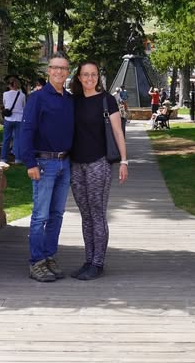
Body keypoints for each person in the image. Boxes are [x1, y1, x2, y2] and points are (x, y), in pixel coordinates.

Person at [68, 60, 128, 280]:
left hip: (98, 164)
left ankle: (98, 263)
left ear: (98, 77)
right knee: (85, 216)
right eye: (85, 74)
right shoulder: (73, 101)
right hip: (76, 165)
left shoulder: (107, 100)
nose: (89, 78)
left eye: (93, 74)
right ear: (79, 78)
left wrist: (124, 161)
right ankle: (88, 260)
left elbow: (118, 132)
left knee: (97, 214)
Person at [18, 55, 75, 283]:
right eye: (55, 68)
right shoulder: (37, 98)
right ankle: (37, 262)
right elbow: (26, 131)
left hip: (65, 163)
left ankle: (50, 256)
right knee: (40, 215)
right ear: (48, 71)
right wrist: (30, 162)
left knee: (57, 214)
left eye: (64, 69)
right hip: (43, 163)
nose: (59, 72)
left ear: (68, 72)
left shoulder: (70, 100)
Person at [1, 76, 26, 164]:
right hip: (19, 118)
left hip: (8, 118)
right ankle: (18, 159)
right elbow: (24, 106)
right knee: (18, 139)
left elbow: (5, 104)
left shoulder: (5, 94)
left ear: (9, 85)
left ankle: (3, 158)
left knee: (6, 139)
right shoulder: (22, 95)